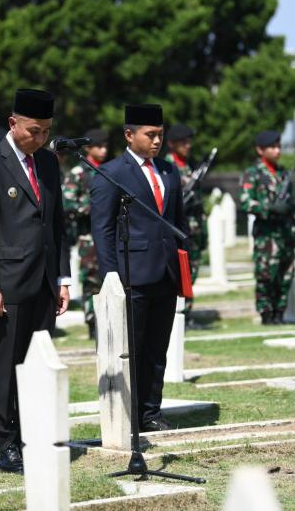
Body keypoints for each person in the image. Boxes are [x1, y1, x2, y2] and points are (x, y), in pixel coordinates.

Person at [0, 89, 71, 474]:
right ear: (13, 123)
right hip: (7, 284)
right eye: (33, 130)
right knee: (5, 365)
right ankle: (5, 445)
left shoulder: (47, 162)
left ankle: (32, 435)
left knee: (36, 364)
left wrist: (62, 277)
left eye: (46, 131)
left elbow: (57, 224)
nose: (40, 138)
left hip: (43, 282)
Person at [90, 104, 187, 432]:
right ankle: (129, 412)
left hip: (167, 272)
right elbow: (102, 229)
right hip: (131, 274)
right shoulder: (111, 173)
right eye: (151, 135)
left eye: (161, 134)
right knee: (133, 346)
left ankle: (150, 411)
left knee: (157, 348)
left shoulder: (170, 171)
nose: (157, 141)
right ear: (130, 135)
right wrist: (110, 276)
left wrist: (185, 266)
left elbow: (179, 223)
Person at [239, 130, 295, 325]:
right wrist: (270, 208)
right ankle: (266, 314)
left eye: (278, 146)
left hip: (284, 234)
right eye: (272, 147)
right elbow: (246, 202)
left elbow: (293, 203)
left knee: (286, 274)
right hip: (266, 236)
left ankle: (279, 313)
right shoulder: (252, 174)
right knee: (266, 275)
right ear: (260, 150)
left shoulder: (283, 174)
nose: (277, 150)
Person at [62, 128, 108, 339]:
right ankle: (92, 321)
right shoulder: (78, 173)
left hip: (109, 233)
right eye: (99, 146)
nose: (104, 150)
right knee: (91, 280)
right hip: (87, 236)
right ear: (89, 148)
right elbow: (68, 201)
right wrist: (92, 207)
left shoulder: (109, 170)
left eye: (106, 145)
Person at [163, 124, 205, 326]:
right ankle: (178, 316)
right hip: (179, 230)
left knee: (191, 273)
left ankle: (186, 315)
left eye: (189, 142)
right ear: (171, 144)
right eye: (183, 142)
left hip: (194, 229)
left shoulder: (190, 167)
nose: (188, 146)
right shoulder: (167, 167)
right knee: (181, 272)